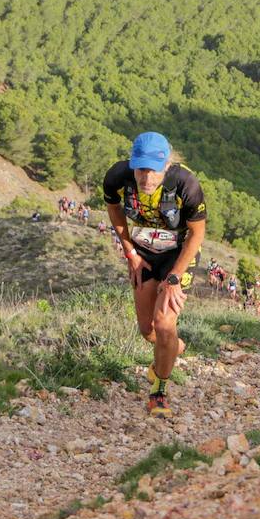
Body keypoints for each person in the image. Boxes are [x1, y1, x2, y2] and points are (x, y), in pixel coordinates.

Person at [103, 132, 207, 418]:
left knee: (164, 324)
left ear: (166, 165)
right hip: (144, 253)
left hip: (177, 255)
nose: (146, 177)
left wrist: (174, 277)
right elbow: (113, 209)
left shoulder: (186, 183)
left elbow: (197, 233)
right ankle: (174, 347)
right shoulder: (117, 176)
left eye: (153, 169)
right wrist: (130, 253)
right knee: (148, 330)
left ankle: (159, 391)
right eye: (141, 168)